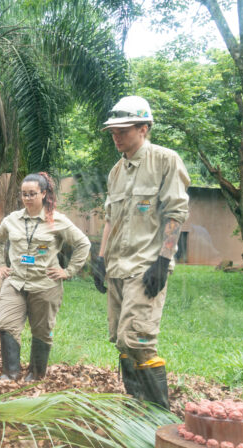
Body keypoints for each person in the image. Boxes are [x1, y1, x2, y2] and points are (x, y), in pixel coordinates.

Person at [92, 96, 190, 411]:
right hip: (118, 267)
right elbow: (111, 219)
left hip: (146, 267)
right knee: (120, 340)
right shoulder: (115, 171)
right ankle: (137, 406)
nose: (116, 135)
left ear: (144, 128)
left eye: (123, 129)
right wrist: (101, 257)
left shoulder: (165, 160)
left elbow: (175, 213)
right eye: (113, 131)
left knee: (138, 339)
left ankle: (159, 415)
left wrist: (163, 260)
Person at [0, 172, 90, 382]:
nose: (27, 198)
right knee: (6, 324)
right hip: (16, 282)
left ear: (44, 193)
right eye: (24, 194)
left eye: (32, 194)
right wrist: (0, 264)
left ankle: (35, 375)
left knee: (42, 331)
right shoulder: (12, 220)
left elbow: (83, 244)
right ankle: (10, 373)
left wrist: (68, 271)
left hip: (45, 285)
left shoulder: (58, 221)